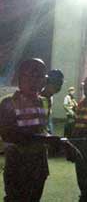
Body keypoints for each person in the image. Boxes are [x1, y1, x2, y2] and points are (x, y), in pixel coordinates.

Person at [0, 58, 60, 201]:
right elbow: (8, 135)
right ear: (21, 77)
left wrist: (51, 139)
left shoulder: (43, 102)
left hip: (39, 167)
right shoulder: (8, 102)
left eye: (40, 77)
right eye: (32, 75)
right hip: (18, 167)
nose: (36, 81)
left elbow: (42, 128)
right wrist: (43, 139)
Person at [39, 69, 65, 134]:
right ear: (47, 82)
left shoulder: (49, 97)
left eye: (60, 84)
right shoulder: (40, 98)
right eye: (56, 84)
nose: (58, 87)